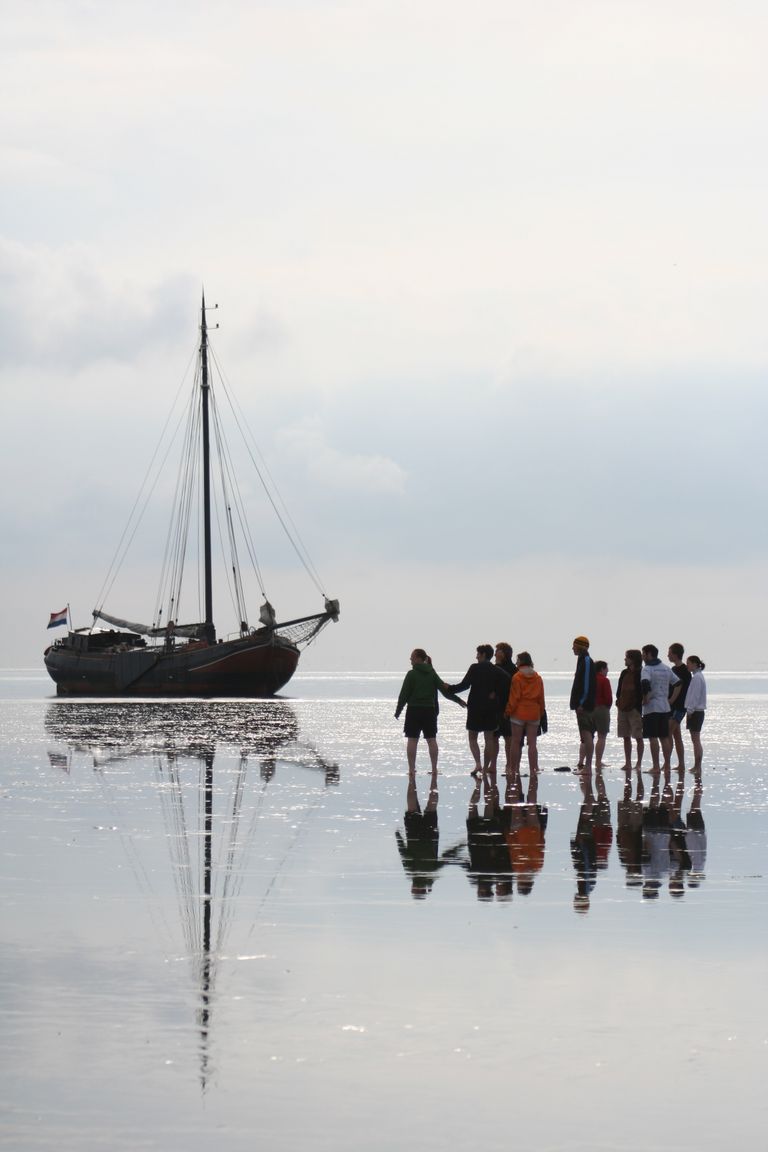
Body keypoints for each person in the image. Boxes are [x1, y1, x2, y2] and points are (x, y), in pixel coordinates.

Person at [394, 649, 465, 775]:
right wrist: (458, 700)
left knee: (412, 740)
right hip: (429, 711)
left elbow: (403, 694)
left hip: (414, 710)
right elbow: (444, 690)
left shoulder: (411, 674)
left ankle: (411, 769)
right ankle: (434, 769)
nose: (410, 660)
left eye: (412, 657)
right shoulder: (432, 673)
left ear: (419, 658)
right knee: (431, 739)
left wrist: (398, 710)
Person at [446, 645, 510, 776]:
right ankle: (486, 767)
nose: (476, 656)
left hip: (475, 706)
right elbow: (508, 681)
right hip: (491, 707)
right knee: (489, 739)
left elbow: (464, 685)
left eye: (478, 654)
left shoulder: (474, 668)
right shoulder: (495, 669)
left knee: (472, 737)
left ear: (483, 655)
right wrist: (496, 692)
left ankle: (478, 764)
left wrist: (450, 689)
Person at [640, 644, 681, 773]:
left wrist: (646, 697)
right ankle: (667, 765)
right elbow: (678, 682)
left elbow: (645, 683)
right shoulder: (666, 668)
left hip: (652, 708)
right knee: (664, 737)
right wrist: (671, 699)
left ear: (648, 654)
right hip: (665, 707)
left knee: (653, 737)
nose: (642, 656)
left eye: (643, 653)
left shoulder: (647, 669)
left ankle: (656, 766)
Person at [504, 651, 545, 777]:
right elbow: (541, 697)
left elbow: (514, 697)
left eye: (517, 660)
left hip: (518, 713)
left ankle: (513, 768)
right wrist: (541, 712)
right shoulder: (537, 677)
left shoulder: (517, 677)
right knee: (532, 743)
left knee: (515, 741)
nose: (516, 663)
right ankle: (533, 769)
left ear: (521, 662)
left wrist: (508, 711)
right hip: (534, 712)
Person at [570, 636, 597, 770]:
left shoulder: (586, 660)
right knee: (585, 735)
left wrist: (581, 702)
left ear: (580, 646)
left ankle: (588, 766)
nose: (572, 648)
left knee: (587, 735)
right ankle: (587, 765)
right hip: (582, 704)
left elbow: (587, 684)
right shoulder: (582, 660)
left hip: (584, 705)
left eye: (574, 645)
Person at [616, 649, 644, 771]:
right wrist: (618, 701)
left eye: (627, 657)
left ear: (633, 659)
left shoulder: (641, 673)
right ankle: (627, 762)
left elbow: (641, 691)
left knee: (638, 736)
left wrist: (638, 706)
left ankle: (638, 763)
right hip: (622, 708)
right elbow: (619, 689)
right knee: (625, 736)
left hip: (635, 709)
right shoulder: (624, 673)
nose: (625, 659)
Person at [491, 642, 515, 774]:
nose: (495, 654)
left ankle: (509, 764)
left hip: (507, 707)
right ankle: (493, 765)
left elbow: (510, 687)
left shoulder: (512, 669)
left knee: (508, 737)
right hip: (495, 708)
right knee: (494, 737)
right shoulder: (494, 667)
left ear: (504, 653)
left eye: (497, 651)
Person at [667, 643, 692, 770]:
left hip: (680, 707)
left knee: (667, 733)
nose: (668, 655)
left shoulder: (684, 671)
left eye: (670, 653)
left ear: (676, 655)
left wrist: (672, 700)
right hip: (672, 707)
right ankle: (681, 764)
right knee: (676, 736)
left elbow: (683, 688)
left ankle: (666, 763)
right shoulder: (673, 670)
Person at [684, 655, 707, 773]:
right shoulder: (698, 676)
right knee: (695, 739)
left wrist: (690, 711)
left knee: (696, 739)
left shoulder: (697, 678)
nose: (687, 665)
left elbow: (695, 696)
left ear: (694, 663)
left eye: (688, 663)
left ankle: (697, 766)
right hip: (697, 711)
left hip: (696, 712)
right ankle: (697, 766)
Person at [593, 660, 613, 770]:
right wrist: (607, 707)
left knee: (587, 737)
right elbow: (608, 698)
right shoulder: (604, 680)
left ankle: (583, 761)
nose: (608, 671)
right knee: (601, 736)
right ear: (602, 669)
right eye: (606, 668)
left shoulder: (590, 680)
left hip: (590, 709)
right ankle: (598, 762)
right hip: (601, 708)